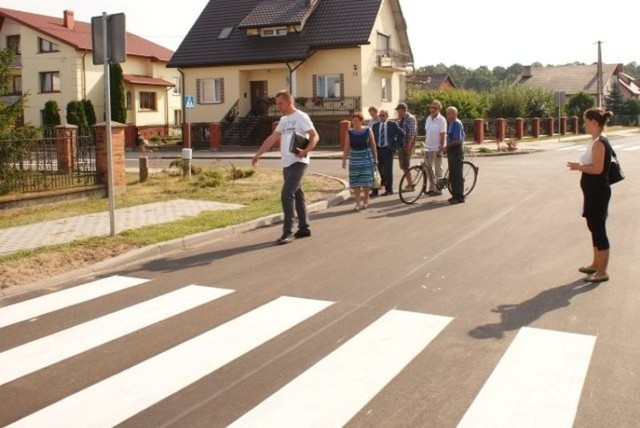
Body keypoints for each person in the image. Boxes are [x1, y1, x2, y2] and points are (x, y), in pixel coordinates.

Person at [252, 90, 319, 245]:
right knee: (298, 194)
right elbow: (272, 138)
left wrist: (306, 151)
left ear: (289, 102)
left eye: (280, 103)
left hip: (299, 162)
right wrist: (258, 154)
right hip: (286, 163)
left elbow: (315, 136)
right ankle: (304, 227)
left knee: (287, 194)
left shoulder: (301, 117)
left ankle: (287, 232)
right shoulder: (283, 120)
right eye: (277, 103)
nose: (278, 106)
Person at [566, 107, 614, 282]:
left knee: (599, 230)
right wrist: (580, 166)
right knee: (594, 227)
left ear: (594, 123)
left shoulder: (600, 143)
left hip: (598, 193)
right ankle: (595, 264)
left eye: (586, 121)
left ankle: (602, 272)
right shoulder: (596, 141)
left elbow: (598, 169)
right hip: (592, 193)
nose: (584, 124)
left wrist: (578, 167)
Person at [342, 112, 377, 211]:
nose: (354, 122)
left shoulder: (368, 130)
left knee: (366, 180)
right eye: (353, 121)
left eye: (356, 121)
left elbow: (373, 145)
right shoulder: (349, 132)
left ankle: (366, 198)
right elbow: (347, 146)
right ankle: (357, 202)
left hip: (366, 157)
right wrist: (344, 159)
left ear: (361, 121)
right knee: (355, 181)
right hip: (354, 158)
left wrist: (376, 158)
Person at [370, 109, 405, 196]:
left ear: (387, 116)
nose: (381, 117)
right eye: (380, 115)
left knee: (388, 171)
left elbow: (402, 134)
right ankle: (375, 190)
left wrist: (395, 146)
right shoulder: (375, 125)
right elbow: (372, 138)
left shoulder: (392, 124)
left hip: (387, 150)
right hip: (378, 150)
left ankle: (389, 189)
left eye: (383, 115)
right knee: (376, 170)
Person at [423, 100, 447, 196]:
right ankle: (431, 187)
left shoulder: (442, 120)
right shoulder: (428, 118)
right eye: (431, 107)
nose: (432, 109)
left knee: (438, 169)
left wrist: (441, 149)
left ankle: (438, 189)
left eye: (435, 108)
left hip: (437, 148)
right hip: (428, 147)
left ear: (439, 109)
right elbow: (427, 133)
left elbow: (443, 135)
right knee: (428, 168)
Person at [442, 106, 465, 204]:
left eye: (448, 113)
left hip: (456, 151)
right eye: (446, 113)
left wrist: (447, 147)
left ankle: (460, 197)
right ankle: (454, 195)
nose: (446, 115)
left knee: (457, 174)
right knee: (452, 174)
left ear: (454, 114)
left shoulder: (456, 123)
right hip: (452, 151)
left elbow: (457, 140)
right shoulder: (451, 123)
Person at [395, 102, 417, 191]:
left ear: (404, 110)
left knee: (406, 165)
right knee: (403, 165)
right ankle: (410, 183)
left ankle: (411, 185)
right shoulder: (402, 119)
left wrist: (408, 146)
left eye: (400, 111)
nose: (398, 113)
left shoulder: (410, 119)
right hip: (401, 145)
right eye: (398, 111)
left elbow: (411, 134)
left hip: (407, 146)